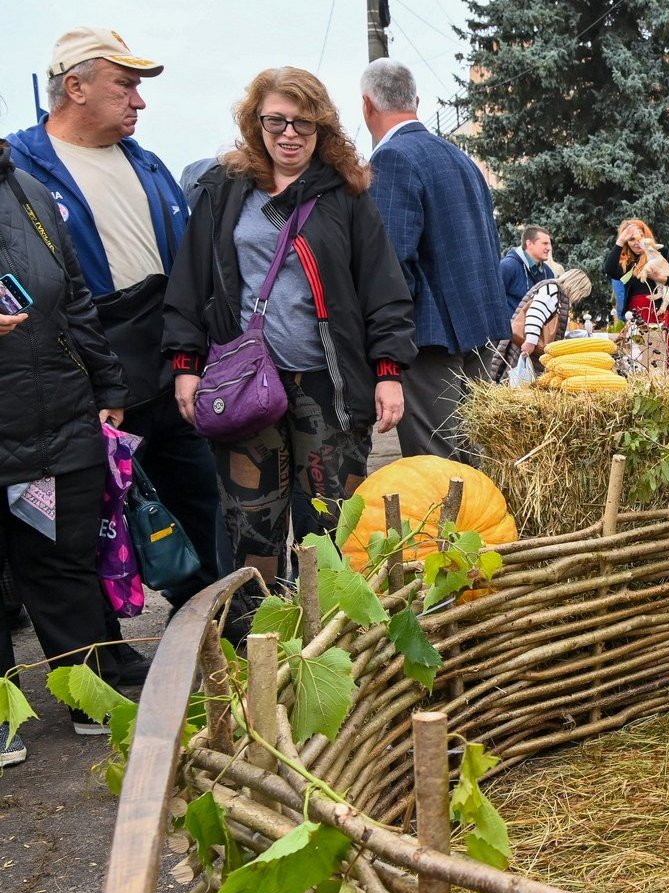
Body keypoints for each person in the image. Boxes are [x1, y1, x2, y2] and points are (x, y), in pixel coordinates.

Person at [8, 28, 224, 674]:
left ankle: (214, 621)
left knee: (197, 499)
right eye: (124, 85)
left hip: (165, 363)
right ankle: (106, 659)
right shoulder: (22, 169)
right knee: (91, 526)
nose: (139, 101)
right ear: (74, 87)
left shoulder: (148, 162)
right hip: (83, 380)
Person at [164, 67, 415, 588]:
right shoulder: (223, 191)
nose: (289, 134)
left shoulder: (345, 194)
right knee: (250, 524)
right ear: (256, 122)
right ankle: (255, 629)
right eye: (276, 120)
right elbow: (189, 283)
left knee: (331, 524)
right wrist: (186, 363)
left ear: (322, 127)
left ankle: (327, 628)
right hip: (244, 384)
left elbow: (383, 287)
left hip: (329, 385)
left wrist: (388, 372)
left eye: (303, 122)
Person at [0, 135, 132, 756]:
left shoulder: (26, 189)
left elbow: (75, 296)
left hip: (54, 419)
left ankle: (87, 695)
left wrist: (108, 383)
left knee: (61, 564)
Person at [360, 58, 509, 463]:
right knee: (473, 457)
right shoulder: (461, 159)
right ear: (416, 101)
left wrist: (385, 342)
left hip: (428, 341)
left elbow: (389, 264)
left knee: (436, 464)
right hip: (478, 332)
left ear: (367, 105)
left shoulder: (391, 159)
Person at [602, 218, 669, 372]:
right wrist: (620, 240)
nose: (636, 243)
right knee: (646, 362)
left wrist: (662, 278)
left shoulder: (662, 254)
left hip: (668, 312)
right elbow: (609, 270)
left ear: (647, 236)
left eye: (640, 237)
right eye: (631, 239)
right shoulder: (627, 263)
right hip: (640, 316)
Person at [501, 225, 553, 312]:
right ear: (529, 244)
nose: (549, 248)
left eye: (549, 244)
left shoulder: (548, 272)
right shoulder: (508, 266)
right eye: (545, 243)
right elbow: (495, 299)